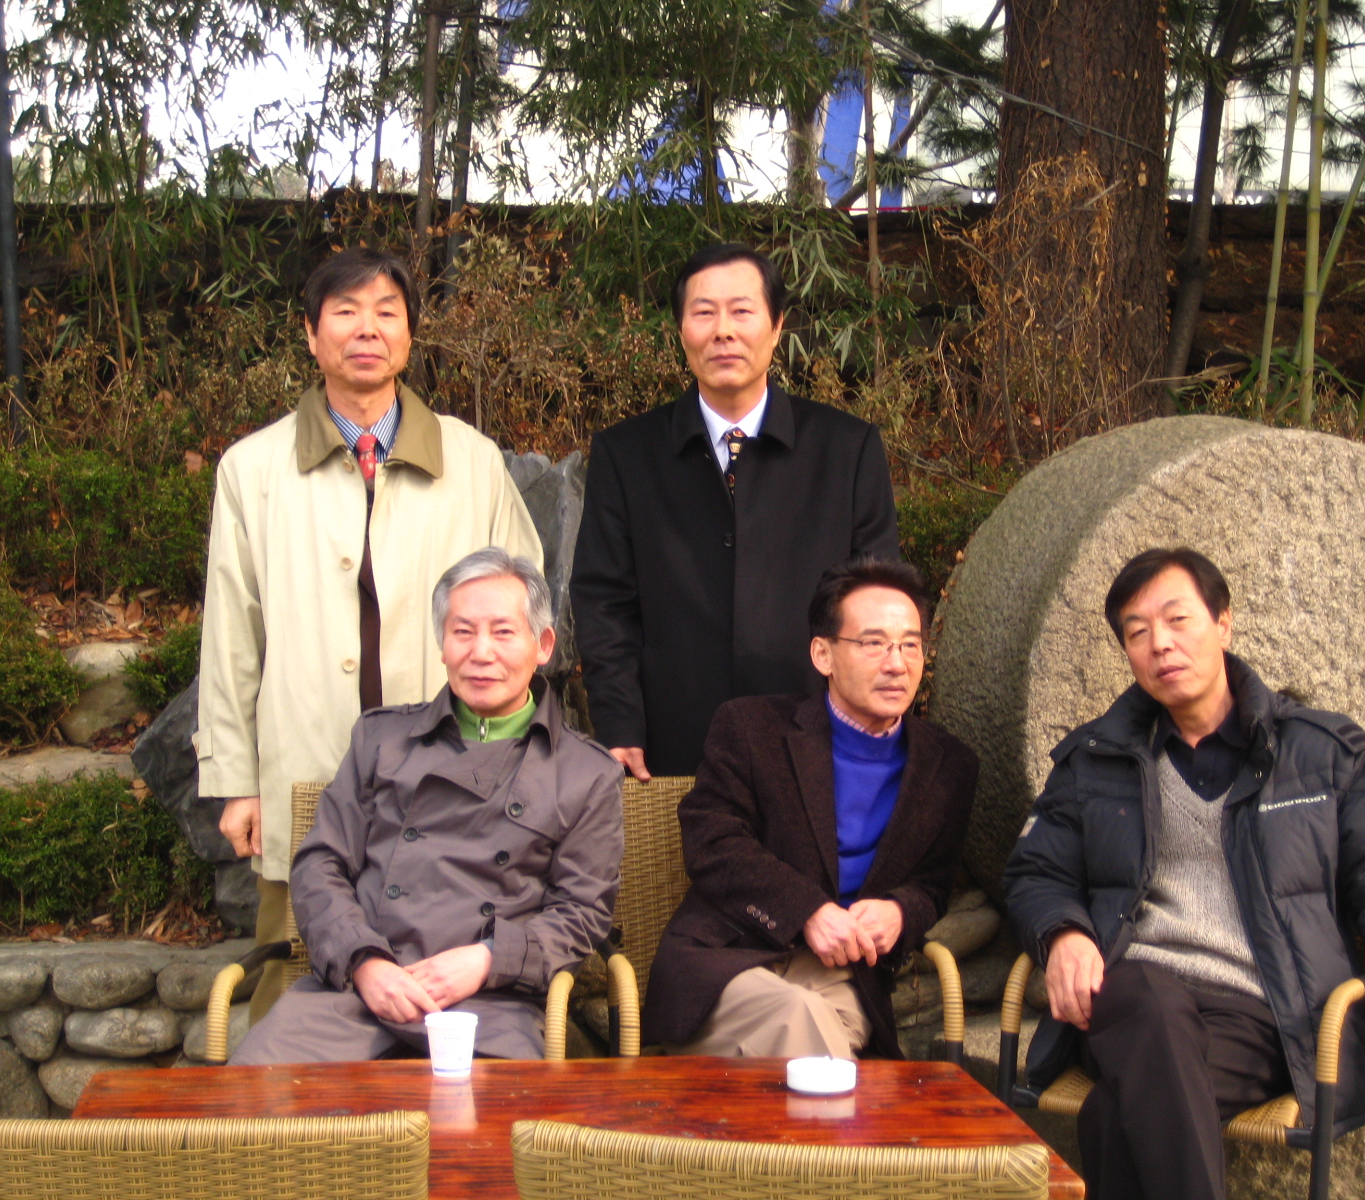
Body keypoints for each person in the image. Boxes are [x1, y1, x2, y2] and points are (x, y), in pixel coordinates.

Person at [1003, 547, 1365, 1200]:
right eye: (1137, 633)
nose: (1160, 644)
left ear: (1223, 623)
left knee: (1114, 1114)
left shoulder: (1321, 755)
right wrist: (1063, 933)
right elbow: (1035, 872)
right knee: (1147, 995)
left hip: (1260, 1017)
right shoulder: (1095, 759)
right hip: (1124, 999)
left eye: (1178, 620)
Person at [199, 246, 542, 1020]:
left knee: (441, 990)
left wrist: (511, 759)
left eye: (387, 312)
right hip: (305, 759)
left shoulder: (473, 461)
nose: (367, 329)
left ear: (410, 335)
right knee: (295, 982)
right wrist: (238, 780)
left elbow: (521, 616)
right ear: (311, 334)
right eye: (346, 312)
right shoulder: (251, 470)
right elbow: (230, 636)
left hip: (454, 773)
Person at [230, 549, 623, 1064]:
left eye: (503, 632)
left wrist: (486, 960)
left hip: (491, 1006)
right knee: (258, 1098)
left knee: (490, 1114)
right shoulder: (381, 739)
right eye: (463, 632)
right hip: (355, 997)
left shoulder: (586, 772)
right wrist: (364, 962)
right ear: (442, 644)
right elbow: (319, 866)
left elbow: (581, 912)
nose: (481, 652)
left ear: (543, 645)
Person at [571, 243, 900, 780]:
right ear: (681, 330)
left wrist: (869, 717)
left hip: (818, 741)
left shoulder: (846, 449)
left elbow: (877, 602)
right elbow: (604, 603)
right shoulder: (627, 455)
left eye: (742, 311)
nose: (723, 331)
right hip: (672, 745)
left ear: (777, 326)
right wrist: (619, 722)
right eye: (704, 312)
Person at [641, 558, 978, 1059]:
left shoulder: (948, 765)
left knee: (808, 1035)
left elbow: (934, 883)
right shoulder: (751, 728)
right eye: (873, 643)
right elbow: (713, 842)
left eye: (910, 645)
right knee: (801, 1022)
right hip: (730, 960)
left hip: (843, 974)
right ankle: (846, 1116)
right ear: (823, 654)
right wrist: (806, 911)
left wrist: (899, 911)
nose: (897, 663)